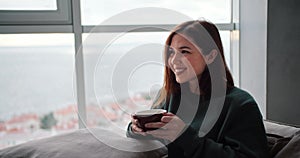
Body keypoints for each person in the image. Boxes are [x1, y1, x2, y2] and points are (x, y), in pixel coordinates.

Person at [126, 20, 269, 158]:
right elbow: (152, 134)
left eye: (185, 52)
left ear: (211, 56)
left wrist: (184, 135)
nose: (174, 60)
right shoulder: (169, 95)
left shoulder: (240, 105)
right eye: (171, 53)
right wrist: (135, 128)